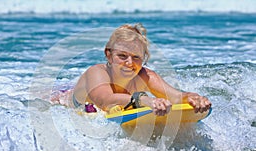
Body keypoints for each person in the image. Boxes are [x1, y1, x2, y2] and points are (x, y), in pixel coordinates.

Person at [51, 23, 211, 115]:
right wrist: (144, 100)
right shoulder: (97, 72)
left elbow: (176, 96)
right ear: (109, 55)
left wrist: (193, 98)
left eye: (136, 57)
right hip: (62, 100)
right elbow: (105, 101)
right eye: (122, 56)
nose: (129, 63)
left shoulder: (146, 75)